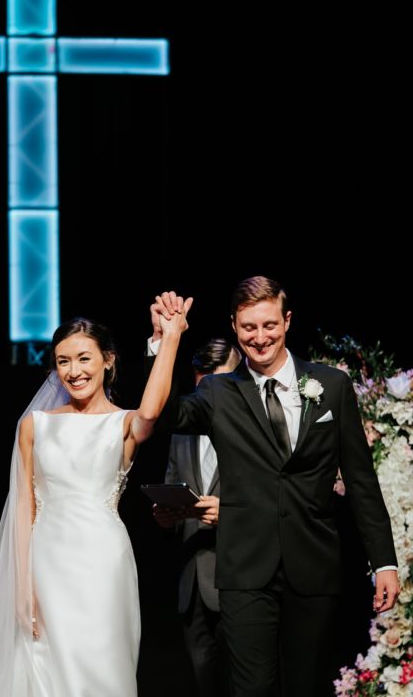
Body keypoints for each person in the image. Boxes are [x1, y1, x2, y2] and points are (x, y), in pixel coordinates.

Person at [149, 280, 399, 697]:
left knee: (307, 687)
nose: (260, 337)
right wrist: (166, 343)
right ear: (234, 325)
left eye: (269, 324)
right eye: (248, 327)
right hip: (245, 569)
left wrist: (384, 562)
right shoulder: (217, 391)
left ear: (287, 320)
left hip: (314, 565)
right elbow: (164, 414)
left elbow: (360, 481)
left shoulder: (332, 385)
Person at [0, 305, 190, 697]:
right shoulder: (35, 425)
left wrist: (169, 338)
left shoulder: (123, 423)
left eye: (84, 358)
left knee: (102, 669)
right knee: (43, 670)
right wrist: (21, 586)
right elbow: (24, 509)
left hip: (104, 565)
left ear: (108, 361)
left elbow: (152, 409)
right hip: (46, 563)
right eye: (63, 362)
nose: (74, 371)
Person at [152, 337, 241, 697]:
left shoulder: (250, 431)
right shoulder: (182, 432)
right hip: (193, 587)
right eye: (203, 383)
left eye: (220, 382)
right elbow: (174, 485)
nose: (210, 393)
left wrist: (229, 514)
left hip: (239, 579)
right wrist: (165, 517)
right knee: (204, 685)